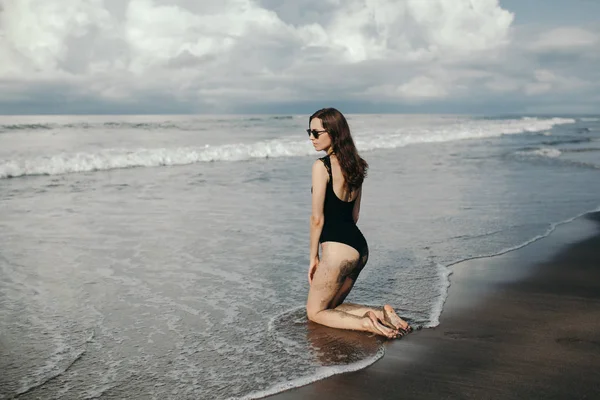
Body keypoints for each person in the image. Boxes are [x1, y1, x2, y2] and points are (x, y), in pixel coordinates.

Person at [306, 108, 411, 339]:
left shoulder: (321, 167)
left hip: (337, 252)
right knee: (330, 308)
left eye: (316, 132)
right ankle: (382, 315)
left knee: (314, 312)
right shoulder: (357, 165)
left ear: (332, 132)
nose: (311, 138)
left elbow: (317, 219)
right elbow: (354, 216)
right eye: (309, 132)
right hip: (360, 248)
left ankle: (368, 325)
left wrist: (314, 257)